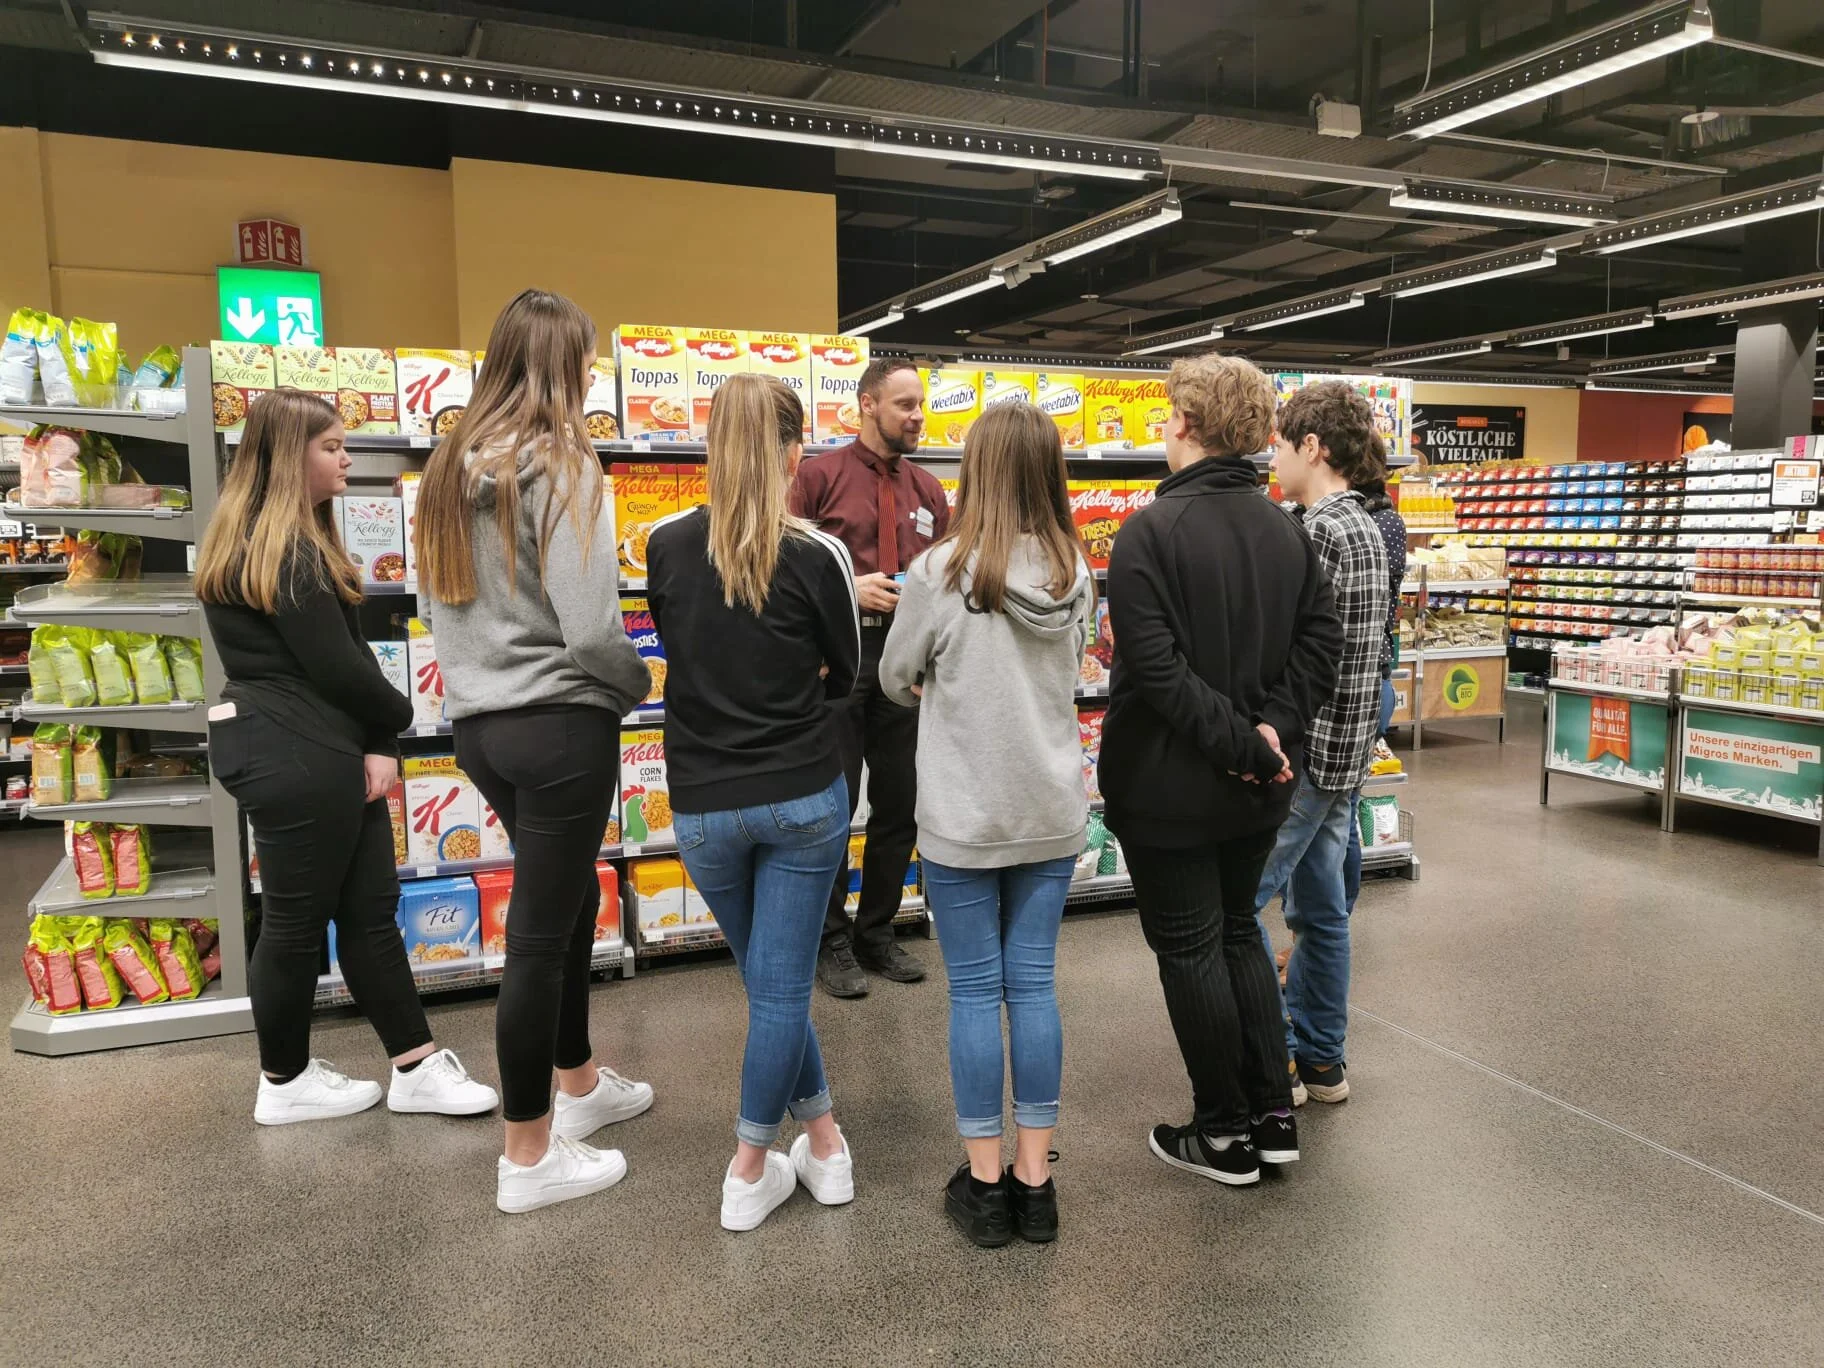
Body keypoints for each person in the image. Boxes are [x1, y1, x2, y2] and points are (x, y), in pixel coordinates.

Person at [198, 387, 498, 1126]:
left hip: (311, 745)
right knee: (295, 923)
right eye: (331, 447)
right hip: (293, 750)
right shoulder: (284, 550)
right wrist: (405, 716)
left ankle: (415, 1066)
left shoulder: (294, 540)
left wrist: (378, 741)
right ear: (287, 456)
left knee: (368, 910)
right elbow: (338, 669)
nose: (346, 458)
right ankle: (283, 1081)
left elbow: (349, 656)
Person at [416, 289, 655, 1214]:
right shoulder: (564, 461)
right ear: (565, 367)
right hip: (560, 721)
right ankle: (527, 1156)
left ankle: (580, 1084)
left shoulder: (447, 467)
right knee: (540, 938)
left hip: (483, 727)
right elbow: (591, 625)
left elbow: (434, 607)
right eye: (588, 359)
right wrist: (635, 684)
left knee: (563, 906)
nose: (593, 375)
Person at [1099, 353, 1343, 1186]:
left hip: (1167, 787)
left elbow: (1157, 672)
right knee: (1240, 929)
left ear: (1185, 423)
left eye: (1169, 412)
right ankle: (1273, 1117)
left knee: (1190, 949)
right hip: (1261, 788)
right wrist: (1270, 734)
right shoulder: (1287, 529)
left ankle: (1223, 1133)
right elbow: (1322, 643)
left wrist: (1245, 744)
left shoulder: (1148, 533)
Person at [646, 374, 861, 1232]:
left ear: (709, 448)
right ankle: (748, 1169)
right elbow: (846, 674)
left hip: (703, 804)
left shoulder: (663, 544)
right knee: (779, 991)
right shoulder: (818, 554)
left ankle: (826, 1143)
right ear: (794, 452)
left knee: (770, 984)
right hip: (803, 793)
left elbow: (680, 648)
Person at [879, 401, 1093, 1247]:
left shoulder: (939, 571)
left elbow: (895, 675)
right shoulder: (1076, 571)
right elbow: (1075, 668)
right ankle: (1037, 1185)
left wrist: (938, 685)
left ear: (976, 473)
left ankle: (986, 1184)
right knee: (1033, 986)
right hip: (1050, 810)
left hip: (963, 815)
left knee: (973, 993)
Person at [789, 357, 950, 997]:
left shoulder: (929, 489)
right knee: (832, 804)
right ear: (866, 404)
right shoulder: (816, 477)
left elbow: (947, 577)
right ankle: (829, 940)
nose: (918, 416)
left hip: (907, 660)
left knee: (900, 802)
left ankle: (876, 933)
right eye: (905, 404)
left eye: (921, 405)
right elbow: (784, 568)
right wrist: (848, 589)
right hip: (838, 657)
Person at [1255, 381, 1391, 1108]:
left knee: (1241, 904)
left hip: (1308, 754)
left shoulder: (1319, 533)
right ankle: (1324, 1062)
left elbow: (1297, 649)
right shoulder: (1364, 523)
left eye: (1280, 445)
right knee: (1322, 912)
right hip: (1349, 752)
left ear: (1311, 447)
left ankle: (1277, 1055)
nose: (1273, 459)